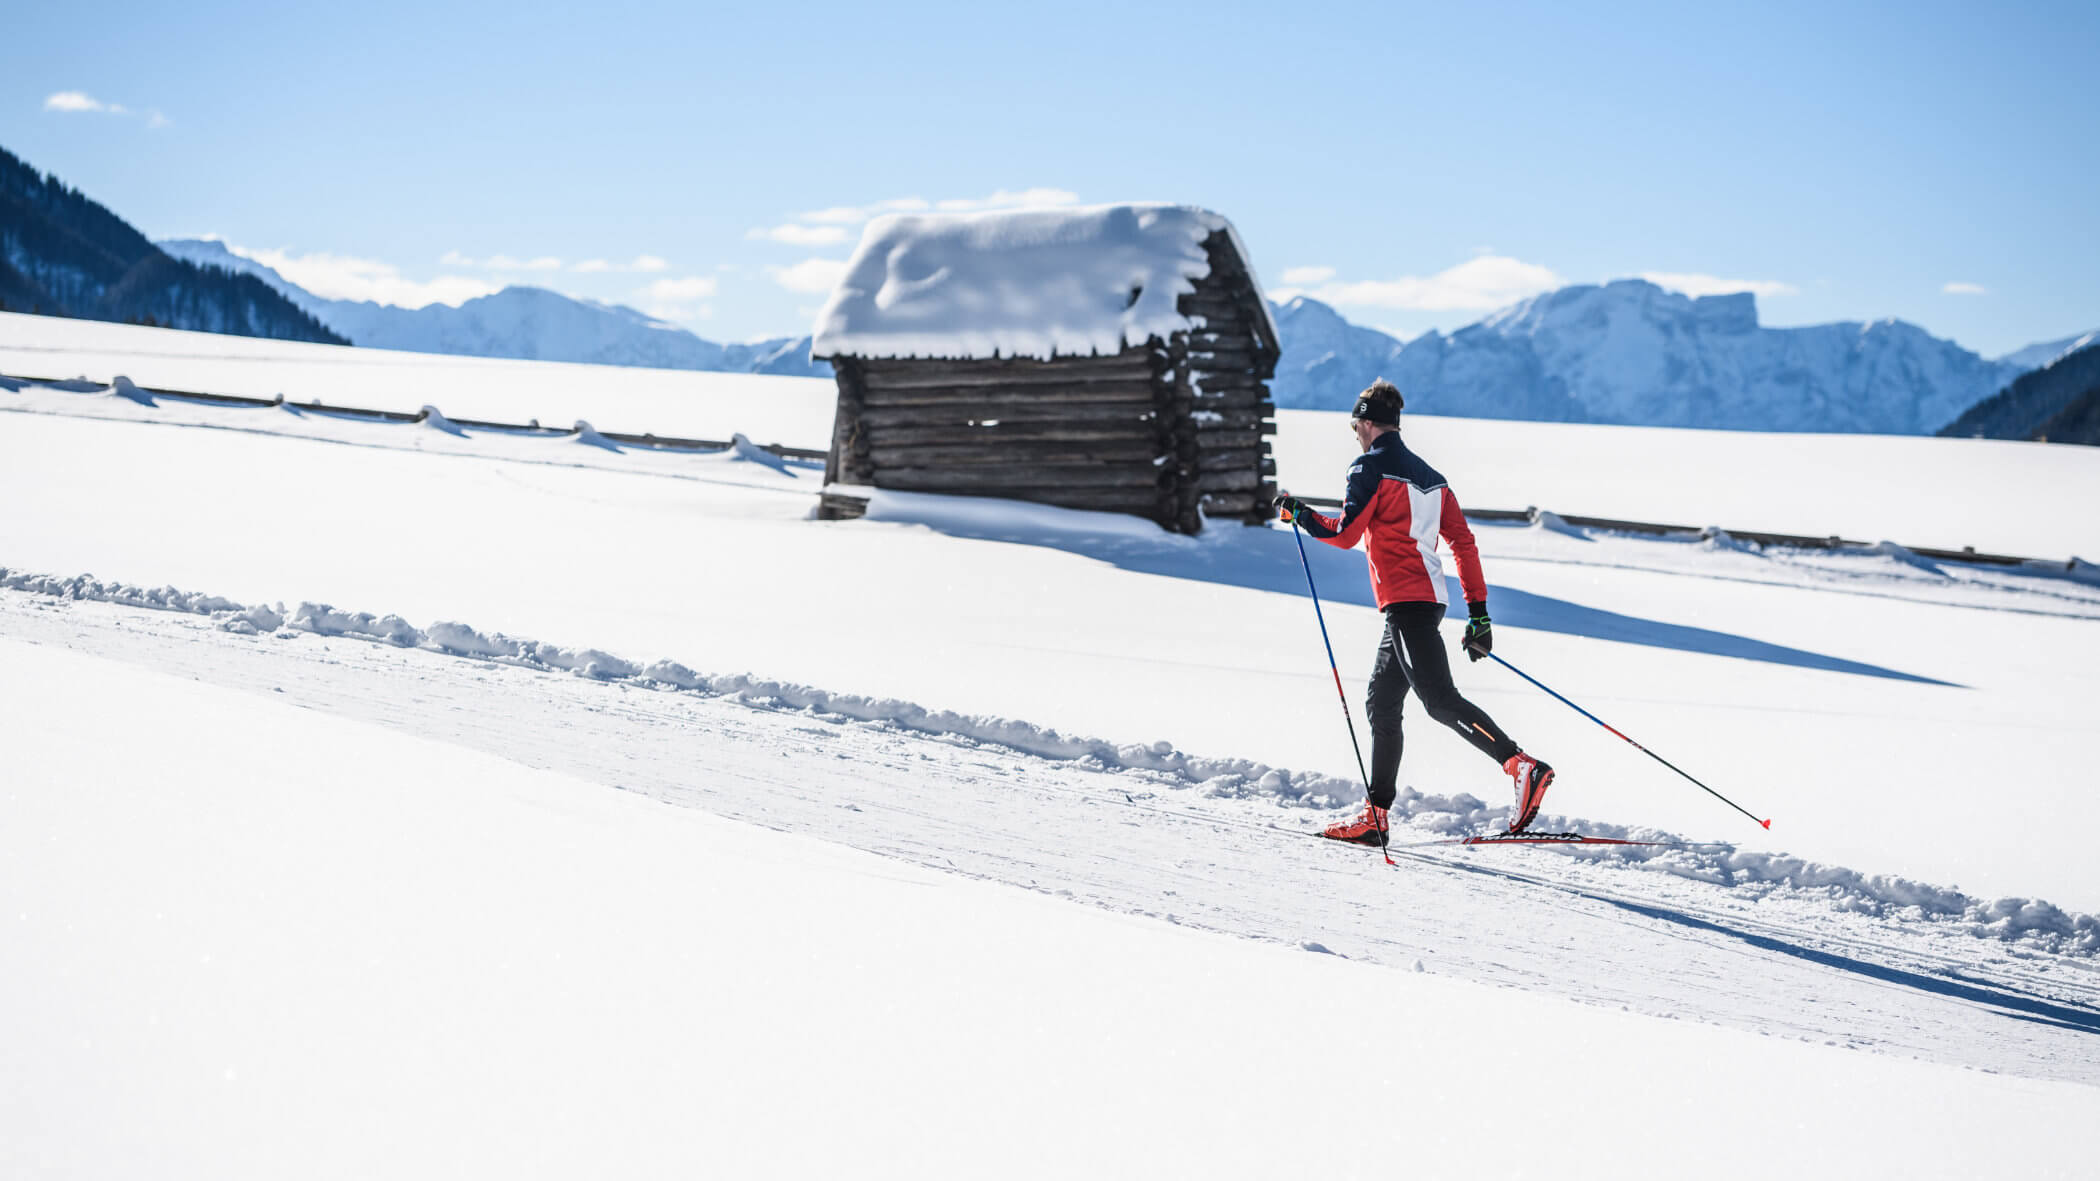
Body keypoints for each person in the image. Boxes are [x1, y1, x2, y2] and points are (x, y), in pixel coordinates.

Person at [1274, 379, 1553, 846]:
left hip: (1406, 604)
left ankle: (1520, 765)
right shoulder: (1432, 477)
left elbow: (1344, 534)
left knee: (1439, 700)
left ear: (1364, 423)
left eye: (1354, 427)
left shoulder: (1367, 468)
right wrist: (1478, 614)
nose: (1355, 435)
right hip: (1426, 601)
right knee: (1380, 704)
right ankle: (1375, 816)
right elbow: (1463, 544)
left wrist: (1299, 514)